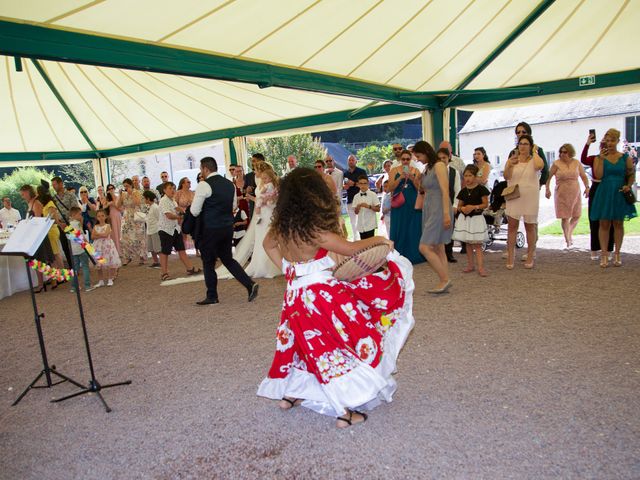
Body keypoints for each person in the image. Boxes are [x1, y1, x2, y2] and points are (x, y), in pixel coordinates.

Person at [258, 167, 415, 429]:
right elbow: (353, 248)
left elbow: (267, 246)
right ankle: (343, 411)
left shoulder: (282, 227)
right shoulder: (315, 230)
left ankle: (292, 393)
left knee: (303, 344)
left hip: (295, 296)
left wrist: (288, 269)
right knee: (337, 346)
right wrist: (380, 239)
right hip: (322, 298)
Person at [190, 156, 258, 305]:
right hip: (227, 227)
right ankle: (249, 284)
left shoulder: (203, 185)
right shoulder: (230, 185)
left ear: (206, 169)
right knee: (228, 259)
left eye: (201, 169)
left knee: (208, 262)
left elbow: (195, 211)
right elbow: (234, 206)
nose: (201, 172)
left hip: (210, 228)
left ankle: (212, 296)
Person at [589, 128, 637, 267]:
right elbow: (598, 175)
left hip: (620, 192)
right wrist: (601, 159)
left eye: (612, 140)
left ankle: (617, 253)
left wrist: (629, 185)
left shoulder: (624, 158)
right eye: (607, 140)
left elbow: (631, 174)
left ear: (617, 141)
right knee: (604, 223)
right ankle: (604, 254)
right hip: (605, 191)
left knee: (618, 223)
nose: (609, 143)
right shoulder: (599, 157)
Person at [416, 141, 453, 293]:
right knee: (438, 247)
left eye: (418, 156)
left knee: (424, 247)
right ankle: (444, 279)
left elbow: (445, 191)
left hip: (439, 207)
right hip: (429, 207)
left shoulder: (439, 165)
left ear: (425, 152)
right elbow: (423, 190)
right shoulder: (427, 168)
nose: (418, 159)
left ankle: (445, 279)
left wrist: (446, 214)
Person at [504, 134, 544, 269]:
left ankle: (530, 255)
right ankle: (510, 256)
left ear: (531, 146)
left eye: (526, 144)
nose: (523, 146)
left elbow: (540, 166)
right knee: (512, 226)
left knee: (530, 227)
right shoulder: (512, 160)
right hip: (515, 195)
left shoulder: (534, 159)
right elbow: (506, 176)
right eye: (521, 143)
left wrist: (535, 152)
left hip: (530, 197)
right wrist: (509, 164)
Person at [545, 144, 590, 249]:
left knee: (577, 215)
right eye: (560, 152)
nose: (562, 154)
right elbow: (548, 177)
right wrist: (547, 189)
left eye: (564, 152)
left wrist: (587, 187)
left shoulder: (576, 163)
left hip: (575, 192)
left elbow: (583, 176)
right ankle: (567, 240)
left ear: (570, 152)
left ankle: (569, 233)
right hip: (561, 192)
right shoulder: (556, 164)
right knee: (565, 217)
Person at [158, 182, 201, 281]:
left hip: (175, 229)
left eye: (173, 188)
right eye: (170, 188)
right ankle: (164, 273)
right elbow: (168, 215)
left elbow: (176, 209)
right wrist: (180, 216)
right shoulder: (163, 200)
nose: (173, 190)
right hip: (166, 230)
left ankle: (190, 268)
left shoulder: (172, 200)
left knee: (181, 250)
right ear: (164, 190)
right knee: (165, 252)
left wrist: (183, 212)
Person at [452, 165, 490, 276]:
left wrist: (474, 207)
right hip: (465, 219)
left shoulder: (481, 189)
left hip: (476, 219)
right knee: (468, 243)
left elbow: (485, 204)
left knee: (477, 244)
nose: (467, 178)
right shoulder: (463, 191)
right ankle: (470, 265)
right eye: (465, 176)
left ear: (475, 176)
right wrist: (462, 208)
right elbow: (459, 206)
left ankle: (481, 267)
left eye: (470, 175)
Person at [387, 150, 423, 264]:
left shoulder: (416, 171)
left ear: (411, 160)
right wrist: (400, 178)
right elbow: (390, 188)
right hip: (399, 203)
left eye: (408, 159)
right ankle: (399, 254)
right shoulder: (394, 170)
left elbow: (420, 189)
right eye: (403, 159)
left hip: (412, 203)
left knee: (413, 227)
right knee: (399, 227)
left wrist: (413, 179)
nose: (406, 161)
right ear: (400, 160)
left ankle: (414, 254)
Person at [581, 135, 614, 259]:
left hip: (608, 188)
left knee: (609, 219)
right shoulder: (595, 159)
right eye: (603, 144)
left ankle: (609, 249)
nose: (605, 147)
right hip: (596, 188)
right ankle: (594, 248)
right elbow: (583, 159)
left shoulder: (614, 160)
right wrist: (588, 143)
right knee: (594, 219)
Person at [20, 185, 55, 293]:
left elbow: (38, 221)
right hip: (33, 236)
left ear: (29, 192)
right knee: (35, 260)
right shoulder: (30, 203)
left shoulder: (36, 203)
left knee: (44, 259)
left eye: (23, 193)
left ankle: (52, 280)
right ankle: (41, 282)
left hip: (39, 236)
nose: (22, 196)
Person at [436, 148, 461, 263]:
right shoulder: (433, 171)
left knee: (449, 229)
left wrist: (455, 205)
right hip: (436, 205)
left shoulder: (453, 172)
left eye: (444, 158)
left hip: (449, 204)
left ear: (449, 158)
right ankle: (438, 254)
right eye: (439, 158)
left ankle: (449, 253)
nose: (442, 160)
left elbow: (457, 190)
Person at [118, 178, 146, 266]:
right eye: (124, 186)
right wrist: (120, 195)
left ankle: (141, 257)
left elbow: (138, 203)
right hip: (127, 217)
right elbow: (118, 205)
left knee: (139, 237)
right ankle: (127, 257)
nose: (126, 187)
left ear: (131, 185)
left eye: (127, 186)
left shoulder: (136, 192)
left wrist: (131, 193)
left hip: (136, 216)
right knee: (124, 237)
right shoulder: (123, 194)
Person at [67, 207, 95, 292]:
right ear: (74, 215)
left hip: (73, 249)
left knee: (75, 269)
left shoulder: (69, 224)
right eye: (79, 214)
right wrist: (88, 245)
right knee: (85, 267)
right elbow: (81, 236)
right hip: (82, 248)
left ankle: (74, 286)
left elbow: (70, 237)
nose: (81, 216)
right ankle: (87, 285)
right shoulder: (77, 224)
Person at [91, 209, 121, 287]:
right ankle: (101, 280)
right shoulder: (95, 226)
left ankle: (110, 279)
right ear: (96, 218)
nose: (100, 218)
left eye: (102, 216)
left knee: (108, 262)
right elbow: (92, 236)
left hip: (107, 246)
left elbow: (105, 234)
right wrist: (99, 235)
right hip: (98, 247)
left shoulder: (107, 225)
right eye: (99, 216)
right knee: (99, 264)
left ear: (105, 217)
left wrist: (97, 234)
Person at [51, 176, 78, 264]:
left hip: (71, 224)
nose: (53, 187)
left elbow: (75, 210)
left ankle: (77, 265)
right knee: (65, 247)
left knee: (75, 245)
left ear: (61, 184)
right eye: (52, 185)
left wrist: (69, 223)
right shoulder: (53, 198)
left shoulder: (71, 195)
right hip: (60, 226)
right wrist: (59, 223)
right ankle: (71, 267)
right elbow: (53, 212)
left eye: (55, 184)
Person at [38, 184, 64, 275]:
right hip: (48, 230)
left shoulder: (50, 204)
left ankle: (62, 273)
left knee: (56, 253)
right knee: (54, 253)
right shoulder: (45, 204)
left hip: (52, 230)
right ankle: (58, 273)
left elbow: (54, 219)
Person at [343, 155, 368, 240]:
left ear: (356, 161)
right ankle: (355, 239)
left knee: (363, 221)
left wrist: (353, 183)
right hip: (350, 200)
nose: (351, 161)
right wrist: (345, 186)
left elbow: (365, 185)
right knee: (352, 222)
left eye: (352, 160)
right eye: (349, 160)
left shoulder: (361, 171)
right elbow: (345, 184)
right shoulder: (345, 173)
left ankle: (364, 239)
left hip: (361, 199)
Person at [354, 174, 380, 239]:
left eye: (365, 183)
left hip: (370, 225)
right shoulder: (356, 196)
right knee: (363, 246)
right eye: (361, 183)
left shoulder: (373, 194)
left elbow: (378, 209)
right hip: (361, 226)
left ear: (368, 184)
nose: (363, 185)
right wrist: (357, 207)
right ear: (358, 184)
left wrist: (369, 206)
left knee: (371, 245)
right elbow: (356, 212)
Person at [174, 177, 195, 251]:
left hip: (191, 214)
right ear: (183, 184)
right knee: (183, 232)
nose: (190, 183)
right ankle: (183, 249)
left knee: (194, 232)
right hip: (182, 215)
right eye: (188, 182)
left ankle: (197, 250)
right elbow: (174, 204)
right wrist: (180, 212)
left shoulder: (192, 192)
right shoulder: (178, 193)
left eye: (190, 182)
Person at [142, 191, 161, 269]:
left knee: (157, 248)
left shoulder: (155, 207)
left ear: (148, 198)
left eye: (144, 198)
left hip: (155, 230)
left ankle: (162, 261)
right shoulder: (150, 207)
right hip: (149, 230)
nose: (144, 200)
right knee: (151, 248)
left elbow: (159, 219)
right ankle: (155, 261)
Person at [245, 153, 263, 218]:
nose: (252, 163)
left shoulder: (270, 174)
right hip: (253, 206)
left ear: (260, 161)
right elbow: (245, 190)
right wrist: (247, 190)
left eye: (254, 161)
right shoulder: (248, 176)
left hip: (266, 204)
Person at [105, 184, 123, 254]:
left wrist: (113, 198)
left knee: (119, 232)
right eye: (109, 189)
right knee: (114, 233)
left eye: (112, 188)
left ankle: (121, 250)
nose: (111, 190)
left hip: (118, 216)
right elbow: (104, 207)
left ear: (114, 188)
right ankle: (116, 251)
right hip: (111, 217)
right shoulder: (106, 198)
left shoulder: (118, 197)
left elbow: (120, 208)